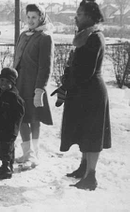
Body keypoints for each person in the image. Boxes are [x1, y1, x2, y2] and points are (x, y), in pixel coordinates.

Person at [51, 0, 111, 191]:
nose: (76, 17)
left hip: (92, 92)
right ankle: (84, 167)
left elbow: (87, 71)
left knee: (92, 134)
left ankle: (91, 177)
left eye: (80, 14)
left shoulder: (94, 37)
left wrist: (68, 83)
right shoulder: (84, 35)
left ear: (91, 16)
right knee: (84, 131)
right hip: (83, 91)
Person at [13, 4, 54, 167]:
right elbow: (17, 59)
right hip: (20, 83)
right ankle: (27, 153)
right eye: (28, 17)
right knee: (21, 117)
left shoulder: (45, 37)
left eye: (34, 17)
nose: (31, 21)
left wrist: (39, 90)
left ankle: (34, 154)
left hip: (34, 84)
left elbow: (46, 66)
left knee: (34, 118)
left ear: (41, 18)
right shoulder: (23, 35)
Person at [0, 68, 25, 180]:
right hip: (1, 127)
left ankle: (6, 170)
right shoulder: (3, 93)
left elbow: (19, 111)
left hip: (8, 128)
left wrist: (8, 116)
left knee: (5, 149)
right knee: (7, 148)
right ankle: (7, 166)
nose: (3, 84)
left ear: (12, 83)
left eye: (7, 82)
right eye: (1, 81)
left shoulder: (13, 96)